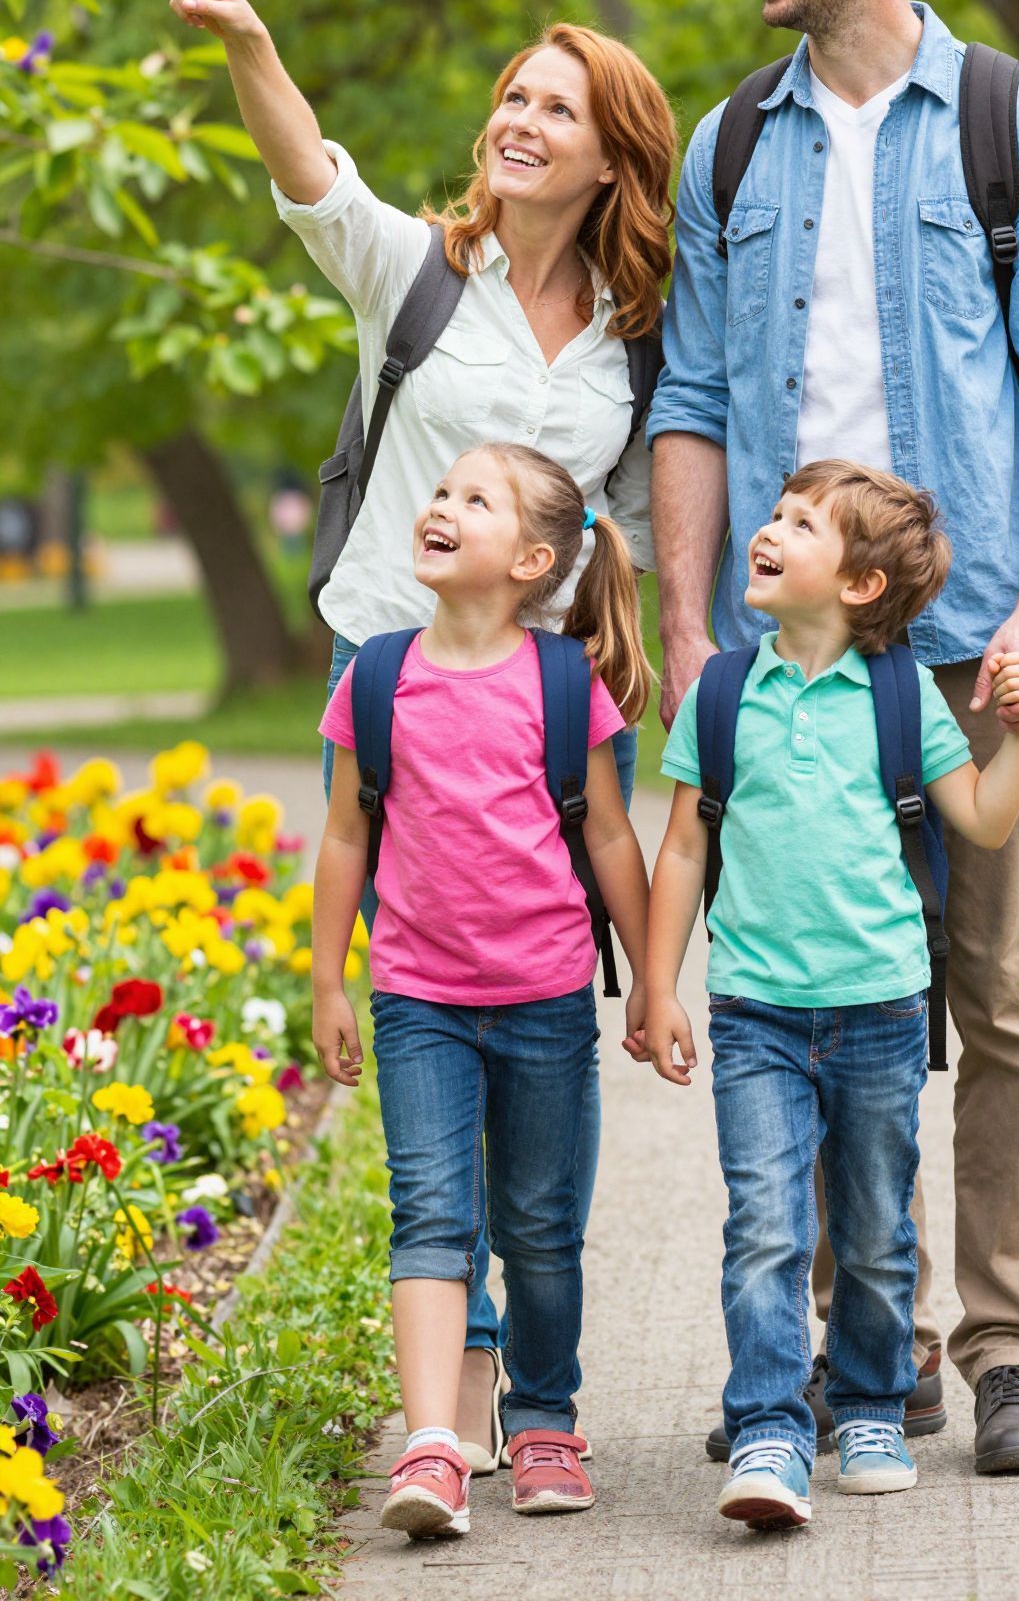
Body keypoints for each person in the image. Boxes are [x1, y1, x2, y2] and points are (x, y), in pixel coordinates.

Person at [647, 0, 1019, 1473]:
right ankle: (872, 1351)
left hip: (974, 644)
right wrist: (693, 628)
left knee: (1004, 994)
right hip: (791, 654)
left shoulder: (1014, 126)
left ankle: (1012, 1352)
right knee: (817, 989)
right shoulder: (729, 146)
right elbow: (692, 402)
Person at [168, 0, 675, 1466]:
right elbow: (313, 174)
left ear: (610, 158)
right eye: (510, 96)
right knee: (426, 1026)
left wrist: (669, 671)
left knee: (536, 1028)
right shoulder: (418, 273)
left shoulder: (633, 341)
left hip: (545, 703)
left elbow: (643, 526)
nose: (518, 119)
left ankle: (540, 1383)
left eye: (555, 107)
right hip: (391, 686)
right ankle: (455, 1375)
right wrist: (252, 39)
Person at [647, 461, 1019, 1529]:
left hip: (878, 1008)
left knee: (873, 1230)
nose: (765, 531)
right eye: (772, 516)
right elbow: (685, 848)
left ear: (862, 584)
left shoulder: (899, 693)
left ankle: (872, 1403)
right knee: (766, 1227)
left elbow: (983, 820)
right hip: (755, 1014)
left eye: (799, 523)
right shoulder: (725, 692)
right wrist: (655, 981)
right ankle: (773, 1426)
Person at [311, 442, 650, 1538]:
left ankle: (547, 1414)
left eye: (475, 497)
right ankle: (433, 1444)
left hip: (548, 996)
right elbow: (342, 837)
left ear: (534, 558)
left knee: (541, 1227)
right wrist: (328, 979)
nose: (441, 504)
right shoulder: (376, 672)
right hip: (417, 1000)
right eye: (442, 488)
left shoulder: (562, 682)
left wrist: (653, 981)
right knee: (432, 1219)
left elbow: (608, 833)